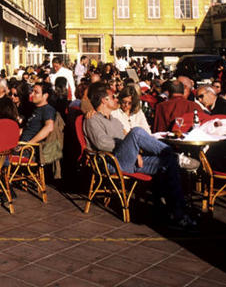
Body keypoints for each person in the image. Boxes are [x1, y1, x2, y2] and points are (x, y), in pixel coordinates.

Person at [83, 82, 196, 229]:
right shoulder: (93, 119)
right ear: (104, 100)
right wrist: (129, 147)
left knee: (169, 162)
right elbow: (102, 144)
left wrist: (132, 149)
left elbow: (125, 141)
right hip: (112, 163)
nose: (116, 99)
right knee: (136, 132)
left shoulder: (115, 121)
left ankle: (179, 214)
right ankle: (171, 152)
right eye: (113, 97)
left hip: (128, 160)